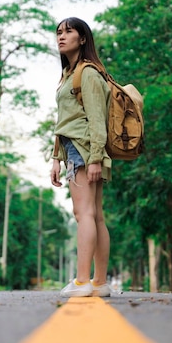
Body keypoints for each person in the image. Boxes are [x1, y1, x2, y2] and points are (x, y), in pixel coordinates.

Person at [51, 17, 111, 298]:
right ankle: (99, 283)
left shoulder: (87, 73)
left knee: (84, 214)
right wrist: (55, 158)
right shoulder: (69, 74)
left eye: (68, 32)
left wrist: (96, 157)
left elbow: (97, 119)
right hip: (76, 149)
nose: (61, 37)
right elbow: (64, 120)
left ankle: (82, 281)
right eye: (59, 33)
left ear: (83, 38)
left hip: (84, 150)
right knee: (95, 215)